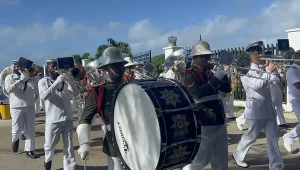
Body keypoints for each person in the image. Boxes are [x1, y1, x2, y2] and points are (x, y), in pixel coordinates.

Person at [232, 41, 284, 170]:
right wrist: (268, 70)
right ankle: (238, 154)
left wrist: (275, 71)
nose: (261, 54)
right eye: (258, 53)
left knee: (273, 138)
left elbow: (275, 81)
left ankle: (276, 166)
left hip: (268, 109)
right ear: (251, 55)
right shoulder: (244, 70)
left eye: (261, 52)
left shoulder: (262, 69)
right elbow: (257, 85)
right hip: (255, 109)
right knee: (251, 136)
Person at [182, 39, 231, 170]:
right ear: (195, 57)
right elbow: (197, 93)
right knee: (200, 160)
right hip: (204, 120)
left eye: (208, 56)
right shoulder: (190, 74)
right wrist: (216, 79)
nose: (207, 59)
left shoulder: (209, 72)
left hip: (218, 119)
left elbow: (226, 90)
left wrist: (224, 76)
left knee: (221, 160)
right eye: (204, 56)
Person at [77, 47, 128, 170]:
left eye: (121, 66)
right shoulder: (98, 91)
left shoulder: (133, 86)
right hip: (115, 138)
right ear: (107, 68)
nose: (120, 69)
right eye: (116, 66)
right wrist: (84, 143)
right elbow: (85, 119)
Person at [39, 58, 80, 170]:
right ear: (48, 67)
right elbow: (44, 96)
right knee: (49, 145)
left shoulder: (65, 80)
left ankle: (70, 167)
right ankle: (48, 160)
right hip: (53, 119)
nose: (55, 67)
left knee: (69, 146)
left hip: (67, 117)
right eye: (52, 65)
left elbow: (76, 92)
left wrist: (69, 80)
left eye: (56, 65)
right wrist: (57, 82)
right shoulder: (43, 81)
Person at [4, 60, 39, 158]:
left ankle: (29, 150)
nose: (20, 68)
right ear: (14, 66)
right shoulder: (9, 78)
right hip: (16, 106)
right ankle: (15, 140)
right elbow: (9, 89)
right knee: (17, 129)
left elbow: (36, 89)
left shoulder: (30, 77)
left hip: (30, 105)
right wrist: (20, 80)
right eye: (18, 66)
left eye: (21, 66)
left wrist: (32, 80)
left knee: (30, 129)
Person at [283, 50, 300, 152]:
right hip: (296, 99)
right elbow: (298, 84)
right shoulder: (292, 70)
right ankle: (290, 137)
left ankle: (290, 136)